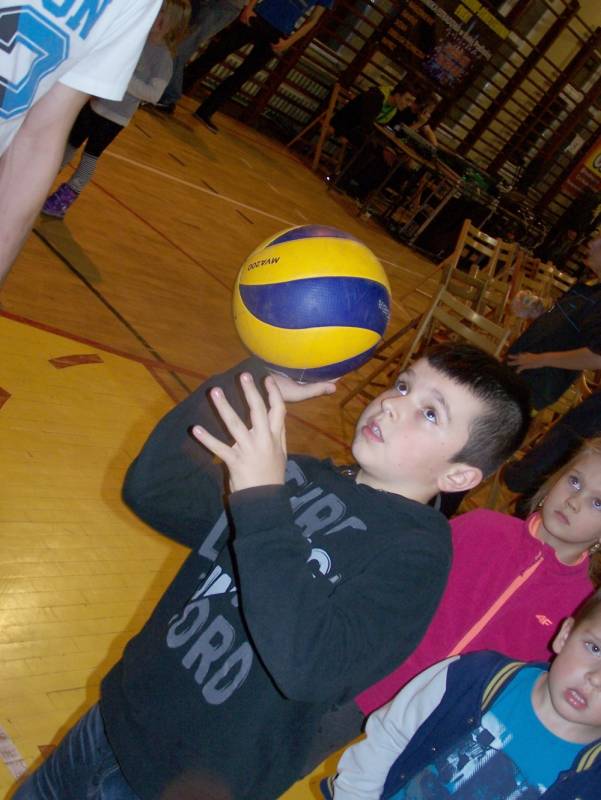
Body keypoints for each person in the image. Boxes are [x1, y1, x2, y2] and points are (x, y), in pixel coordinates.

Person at [13, 342, 529, 800]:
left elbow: (310, 665)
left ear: (458, 475)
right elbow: (156, 490)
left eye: (430, 414)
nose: (394, 405)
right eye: (403, 385)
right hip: (114, 717)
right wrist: (250, 385)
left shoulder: (417, 556)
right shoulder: (302, 474)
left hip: (180, 780)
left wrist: (261, 497)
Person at [302, 435, 601, 773]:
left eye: (597, 503)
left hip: (434, 735)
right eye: (574, 481)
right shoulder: (482, 527)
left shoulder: (581, 607)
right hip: (362, 688)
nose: (574, 502)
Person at [321, 588, 601, 799]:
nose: (595, 678)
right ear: (565, 635)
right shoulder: (474, 676)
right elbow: (388, 738)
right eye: (595, 648)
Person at [0, 0, 163, 286]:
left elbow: (39, 137)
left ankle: (69, 192)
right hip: (101, 111)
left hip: (113, 118)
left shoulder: (144, 18)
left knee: (88, 157)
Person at [40, 0, 191, 220]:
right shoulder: (135, 40)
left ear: (173, 23)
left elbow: (153, 95)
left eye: (164, 15)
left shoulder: (163, 59)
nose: (157, 18)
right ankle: (41, 181)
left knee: (90, 157)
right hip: (94, 105)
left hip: (115, 118)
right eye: (157, 12)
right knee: (68, 145)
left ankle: (67, 196)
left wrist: (124, 76)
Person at [182, 0, 334, 133]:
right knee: (217, 53)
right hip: (258, 17)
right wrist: (250, 8)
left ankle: (205, 112)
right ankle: (178, 88)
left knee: (241, 76)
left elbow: (313, 20)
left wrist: (289, 42)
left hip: (278, 33)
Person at [506, 234, 601, 412]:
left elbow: (597, 357)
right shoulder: (588, 287)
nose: (589, 243)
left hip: (537, 382)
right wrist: (535, 309)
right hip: (521, 366)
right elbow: (565, 325)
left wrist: (540, 360)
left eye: (597, 240)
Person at [154, 0, 246, 115]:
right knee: (174, 43)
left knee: (179, 50)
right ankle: (164, 93)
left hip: (224, 5)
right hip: (209, 4)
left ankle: (170, 96)